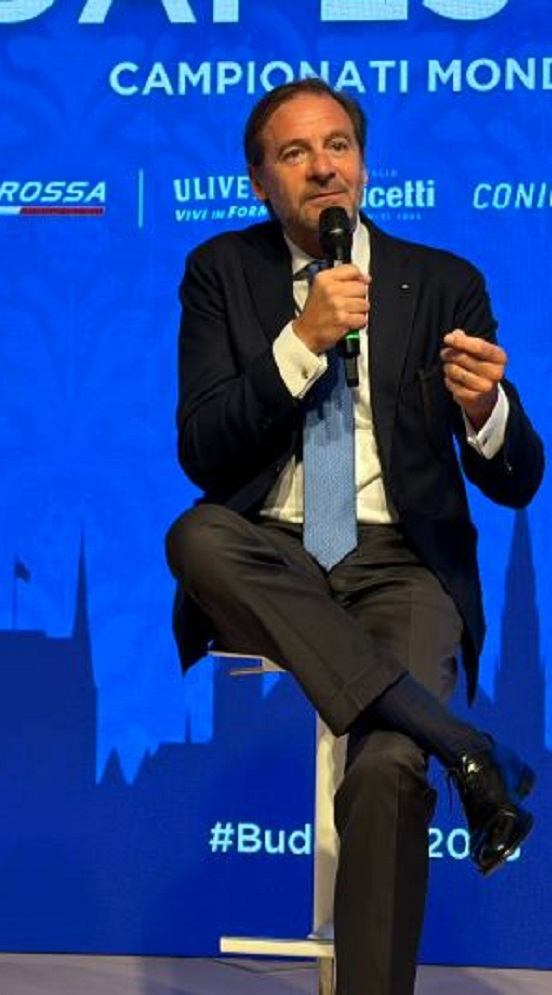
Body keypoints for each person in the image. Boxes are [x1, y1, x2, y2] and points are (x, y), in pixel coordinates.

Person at [165, 78, 543, 995]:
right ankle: (467, 744)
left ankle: (431, 745)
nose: (323, 167)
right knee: (196, 535)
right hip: (274, 553)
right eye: (294, 153)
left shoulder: (444, 282)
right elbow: (203, 449)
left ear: (364, 164)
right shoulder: (222, 271)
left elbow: (518, 478)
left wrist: (486, 410)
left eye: (337, 145)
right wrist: (300, 341)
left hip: (402, 562)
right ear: (261, 182)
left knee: (389, 762)